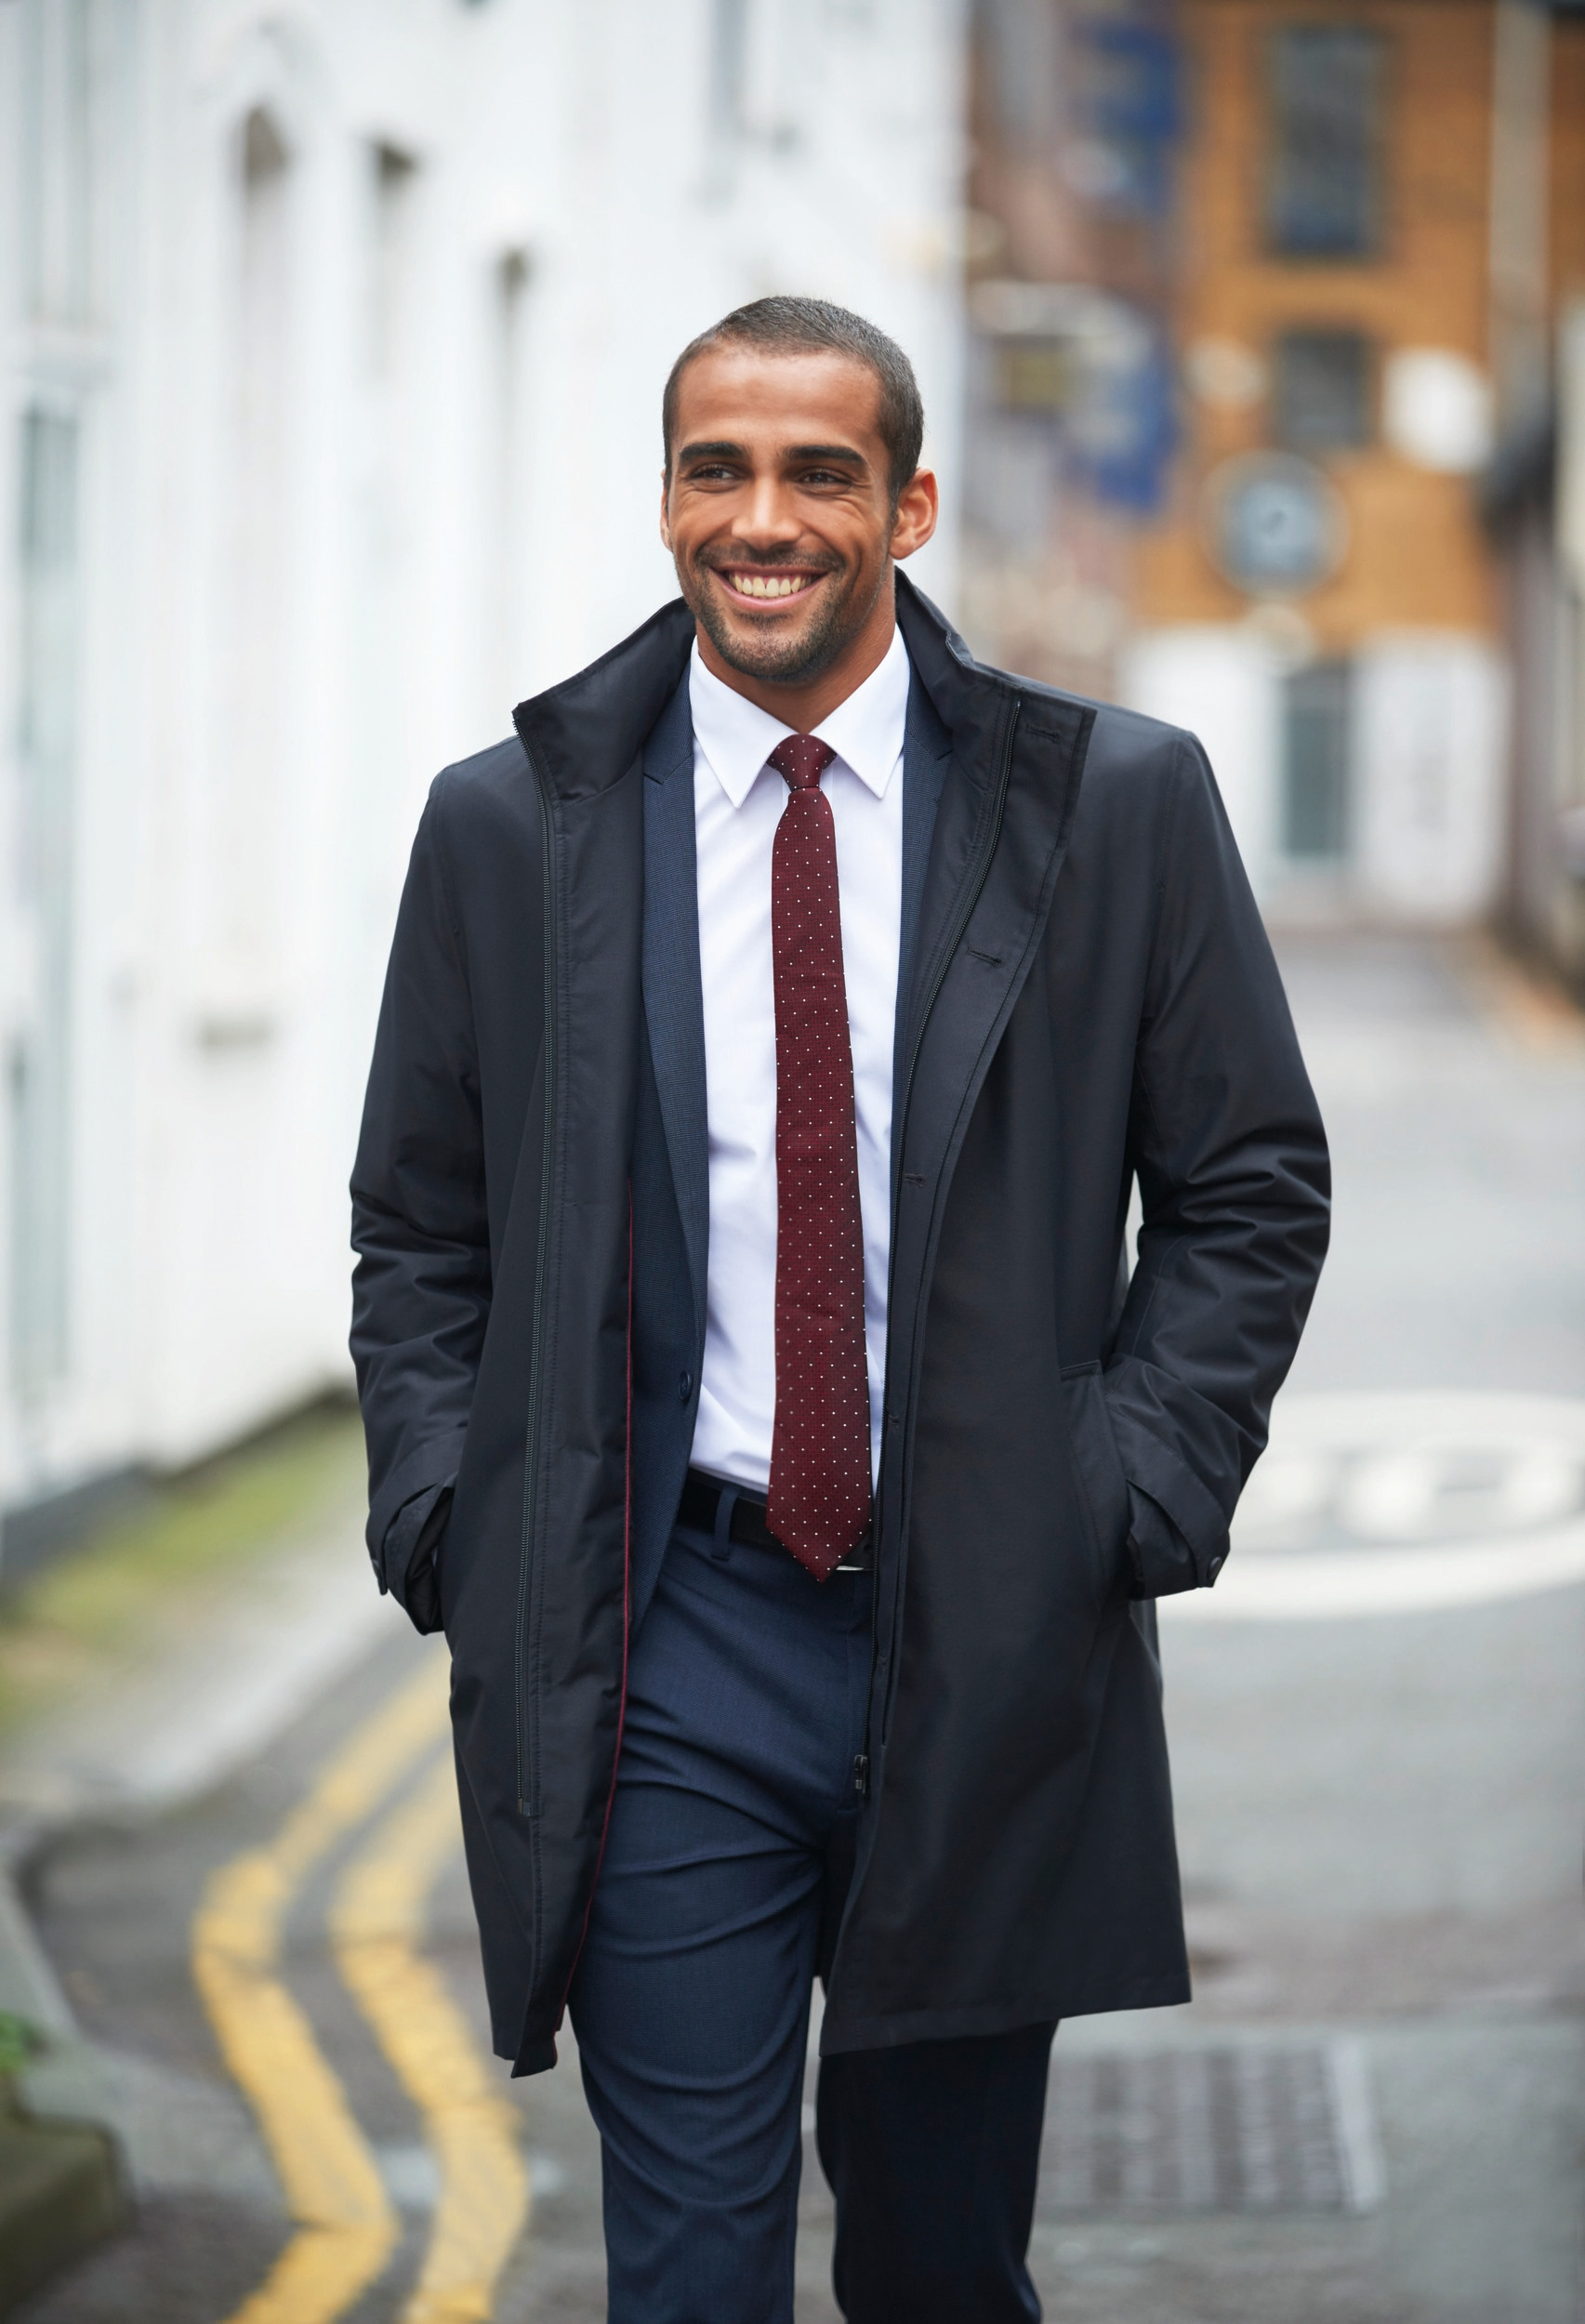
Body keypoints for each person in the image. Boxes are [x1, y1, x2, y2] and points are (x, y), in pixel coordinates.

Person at [350, 296, 1329, 2322]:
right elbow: (418, 1226)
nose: (762, 516)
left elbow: (1246, 1182)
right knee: (687, 2266)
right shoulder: (509, 829)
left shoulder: (1111, 805)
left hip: (980, 1623)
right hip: (668, 1642)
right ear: (665, 502)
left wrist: (1120, 1492)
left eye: (816, 471)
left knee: (941, 2263)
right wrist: (458, 1517)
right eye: (718, 468)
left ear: (909, 504)